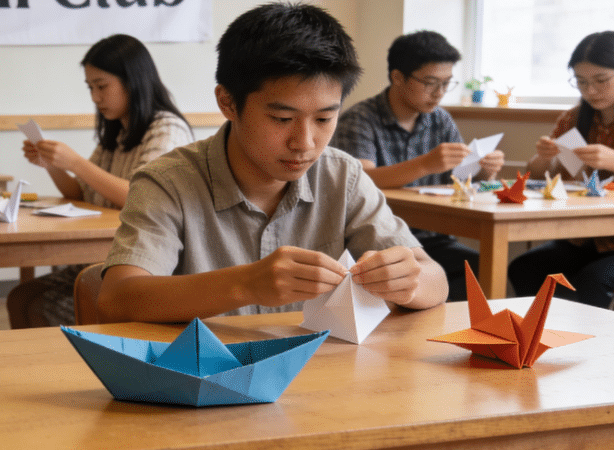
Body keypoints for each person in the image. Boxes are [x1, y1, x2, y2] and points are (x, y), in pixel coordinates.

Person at [96, 2, 449, 324]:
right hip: (205, 379)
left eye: (325, 119)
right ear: (228, 103)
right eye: (282, 119)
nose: (305, 143)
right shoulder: (167, 182)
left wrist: (408, 282)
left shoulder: (343, 175)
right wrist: (247, 283)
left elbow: (435, 280)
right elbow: (116, 299)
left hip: (326, 377)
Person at [6, 34, 193, 328]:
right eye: (90, 87)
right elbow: (81, 192)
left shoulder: (166, 129)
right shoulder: (118, 132)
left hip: (138, 265)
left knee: (40, 307)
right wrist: (52, 165)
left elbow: (143, 197)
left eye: (102, 86)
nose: (95, 97)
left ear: (132, 81)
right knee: (20, 298)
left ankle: (62, 369)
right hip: (102, 257)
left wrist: (76, 162)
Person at [330, 30, 505, 301]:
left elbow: (459, 179)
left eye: (447, 84)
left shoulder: (440, 120)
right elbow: (360, 180)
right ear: (398, 77)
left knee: (483, 268)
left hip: (435, 239)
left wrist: (484, 170)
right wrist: (425, 164)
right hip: (378, 242)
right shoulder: (360, 119)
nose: (439, 93)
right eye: (431, 83)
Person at [510, 31, 614, 308]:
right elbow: (534, 175)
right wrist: (544, 157)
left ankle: (594, 344)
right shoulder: (574, 117)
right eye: (580, 82)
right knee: (526, 267)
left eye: (601, 81)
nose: (590, 91)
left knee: (594, 278)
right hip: (582, 236)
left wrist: (612, 160)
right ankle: (553, 334)